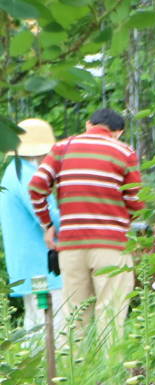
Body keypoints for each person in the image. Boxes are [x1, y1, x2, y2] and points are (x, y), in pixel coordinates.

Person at [29, 107, 143, 347]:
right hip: (111, 247)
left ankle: (77, 380)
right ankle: (111, 383)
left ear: (88, 124)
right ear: (118, 132)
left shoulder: (62, 148)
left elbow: (37, 187)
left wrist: (48, 224)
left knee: (76, 319)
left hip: (71, 247)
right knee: (111, 317)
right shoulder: (124, 151)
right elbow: (136, 201)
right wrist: (123, 222)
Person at [0, 118, 62, 331]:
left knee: (35, 326)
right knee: (54, 330)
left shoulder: (14, 171)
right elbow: (49, 216)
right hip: (42, 266)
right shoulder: (26, 175)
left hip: (28, 265)